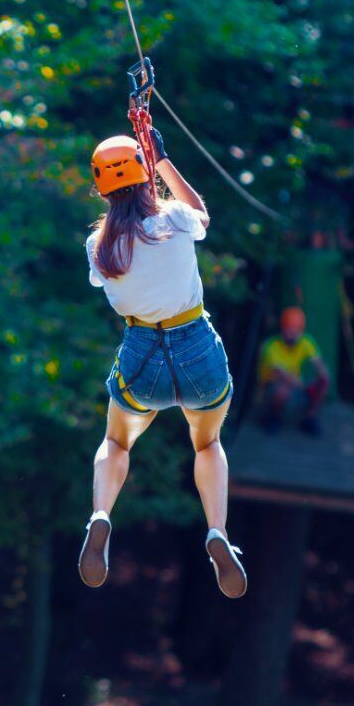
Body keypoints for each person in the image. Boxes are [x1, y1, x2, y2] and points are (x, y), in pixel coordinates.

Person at [77, 128, 247, 599]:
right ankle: (217, 531)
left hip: (141, 357)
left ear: (101, 187)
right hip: (197, 349)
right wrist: (163, 161)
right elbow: (202, 215)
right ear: (144, 172)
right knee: (208, 442)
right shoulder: (173, 219)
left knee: (116, 439)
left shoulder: (98, 247)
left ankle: (101, 515)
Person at [258, 306, 331, 436]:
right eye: (289, 329)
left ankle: (310, 418)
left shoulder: (305, 342)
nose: (292, 333)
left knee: (324, 381)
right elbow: (282, 375)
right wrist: (305, 387)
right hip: (272, 389)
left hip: (296, 385)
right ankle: (273, 417)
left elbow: (319, 364)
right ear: (282, 328)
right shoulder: (271, 346)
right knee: (283, 389)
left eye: (296, 330)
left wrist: (322, 376)